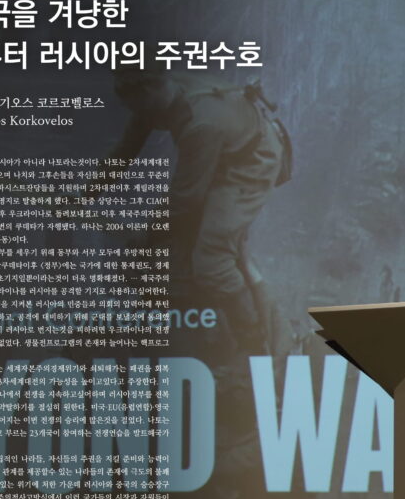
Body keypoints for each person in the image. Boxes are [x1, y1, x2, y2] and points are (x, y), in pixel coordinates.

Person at [110, 65, 293, 354]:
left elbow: (185, 199)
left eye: (132, 105)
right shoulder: (158, 93)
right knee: (185, 242)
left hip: (249, 162)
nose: (132, 112)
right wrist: (84, 194)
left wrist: (146, 237)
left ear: (148, 92)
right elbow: (125, 150)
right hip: (226, 149)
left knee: (212, 262)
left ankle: (254, 344)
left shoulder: (200, 122)